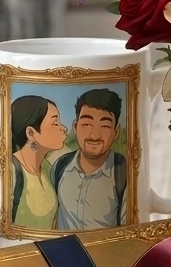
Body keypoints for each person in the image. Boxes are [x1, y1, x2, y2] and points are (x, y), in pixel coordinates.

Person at [52, 88, 128, 230]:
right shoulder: (60, 166)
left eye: (105, 126)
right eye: (87, 124)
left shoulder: (125, 173)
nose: (94, 135)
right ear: (75, 127)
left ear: (116, 131)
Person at [10, 95, 67, 231]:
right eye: (55, 123)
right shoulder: (10, 171)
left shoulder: (47, 168)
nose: (64, 128)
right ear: (31, 133)